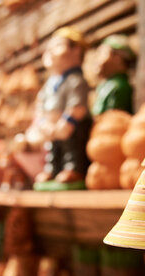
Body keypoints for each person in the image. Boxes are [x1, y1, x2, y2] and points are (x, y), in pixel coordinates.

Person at [25, 27, 92, 190]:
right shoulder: (50, 84)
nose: (50, 52)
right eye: (48, 48)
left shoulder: (76, 81)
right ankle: (53, 169)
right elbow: (40, 106)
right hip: (52, 126)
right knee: (54, 149)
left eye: (57, 46)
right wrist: (43, 123)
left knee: (72, 147)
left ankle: (73, 168)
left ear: (76, 51)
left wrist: (68, 121)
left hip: (71, 126)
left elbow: (78, 105)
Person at [91, 34, 135, 116]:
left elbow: (112, 122)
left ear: (118, 58)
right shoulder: (105, 86)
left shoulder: (119, 87)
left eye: (102, 53)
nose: (96, 59)